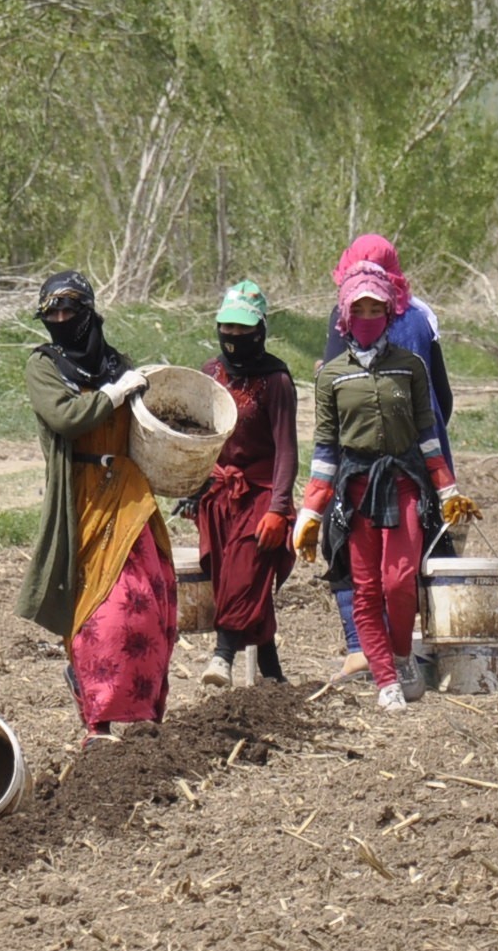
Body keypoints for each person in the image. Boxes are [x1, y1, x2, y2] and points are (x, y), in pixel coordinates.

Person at [14, 271, 176, 738]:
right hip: (82, 494)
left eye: (71, 311)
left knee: (150, 600)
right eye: (53, 313)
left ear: (89, 312)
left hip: (126, 492)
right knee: (99, 611)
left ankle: (143, 714)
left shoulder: (116, 363)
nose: (62, 320)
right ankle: (98, 715)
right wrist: (111, 394)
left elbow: (145, 424)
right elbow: (67, 419)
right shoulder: (44, 367)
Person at [291, 266, 455, 709]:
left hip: (403, 482)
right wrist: (310, 512)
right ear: (345, 316)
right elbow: (325, 449)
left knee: (399, 580)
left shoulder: (410, 367)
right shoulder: (332, 376)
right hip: (356, 489)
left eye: (375, 308)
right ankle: (385, 678)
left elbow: (428, 434)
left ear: (389, 312)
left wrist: (447, 490)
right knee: (365, 587)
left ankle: (402, 655)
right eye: (358, 309)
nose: (366, 316)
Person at [320, 234, 455, 655]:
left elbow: (337, 392)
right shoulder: (420, 317)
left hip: (359, 460)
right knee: (424, 546)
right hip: (422, 454)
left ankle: (363, 647)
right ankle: (428, 648)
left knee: (346, 545)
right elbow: (443, 399)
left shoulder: (345, 315)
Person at [194, 280, 298, 686]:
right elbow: (200, 435)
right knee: (239, 582)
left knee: (243, 571)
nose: (234, 337)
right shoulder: (210, 373)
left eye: (243, 329)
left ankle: (223, 655)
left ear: (260, 329)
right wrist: (194, 488)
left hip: (261, 493)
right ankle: (273, 677)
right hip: (221, 492)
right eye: (228, 327)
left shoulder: (276, 381)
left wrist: (279, 509)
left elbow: (287, 449)